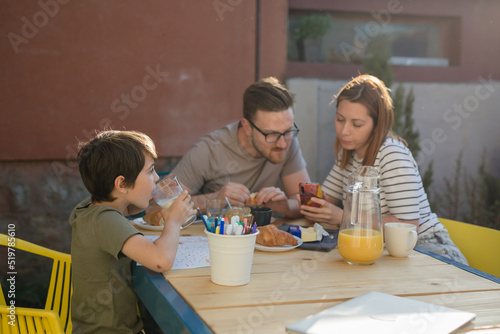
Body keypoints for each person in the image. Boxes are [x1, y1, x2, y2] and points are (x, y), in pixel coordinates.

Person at [300, 74, 468, 265]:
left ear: (377, 125)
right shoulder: (348, 152)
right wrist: (288, 204)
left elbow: (408, 226)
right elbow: (322, 203)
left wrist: (344, 218)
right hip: (383, 251)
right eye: (340, 119)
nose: (344, 130)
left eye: (357, 124)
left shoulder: (391, 154)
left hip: (428, 249)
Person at [70, 130, 195, 334]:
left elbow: (129, 207)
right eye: (150, 171)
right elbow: (160, 260)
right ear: (121, 184)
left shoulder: (90, 208)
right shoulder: (106, 220)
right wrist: (173, 221)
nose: (156, 178)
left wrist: (154, 197)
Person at [171, 77, 311, 218]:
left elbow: (307, 203)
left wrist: (287, 206)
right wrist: (214, 199)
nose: (282, 144)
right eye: (271, 134)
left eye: (288, 130)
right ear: (247, 127)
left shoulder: (288, 141)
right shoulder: (209, 149)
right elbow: (156, 206)